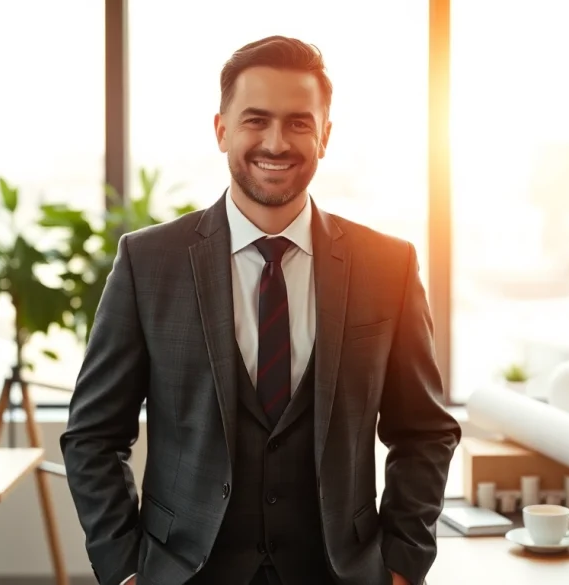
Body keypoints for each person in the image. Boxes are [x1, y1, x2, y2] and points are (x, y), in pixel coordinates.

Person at [60, 35, 461, 585]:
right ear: (222, 130)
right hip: (183, 573)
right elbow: (92, 435)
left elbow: (424, 431)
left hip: (340, 573)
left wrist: (402, 564)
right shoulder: (147, 262)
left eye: (299, 123)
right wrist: (125, 570)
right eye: (256, 120)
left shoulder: (388, 265)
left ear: (325, 136)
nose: (276, 142)